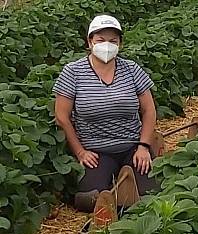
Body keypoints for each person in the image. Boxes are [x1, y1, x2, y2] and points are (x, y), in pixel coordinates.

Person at [54, 14, 159, 212]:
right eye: (101, 40)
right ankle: (112, 186)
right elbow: (62, 116)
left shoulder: (131, 69)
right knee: (88, 200)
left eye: (113, 41)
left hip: (132, 146)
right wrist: (80, 152)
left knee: (150, 197)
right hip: (96, 150)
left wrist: (144, 146)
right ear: (90, 41)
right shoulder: (73, 72)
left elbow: (149, 109)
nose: (107, 45)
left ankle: (127, 183)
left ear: (120, 43)